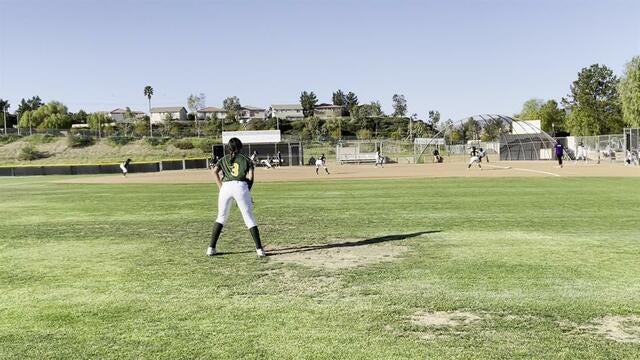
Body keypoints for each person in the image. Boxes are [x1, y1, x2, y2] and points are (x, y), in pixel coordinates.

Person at [207, 137, 266, 257]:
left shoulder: (223, 159)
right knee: (249, 218)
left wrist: (221, 187)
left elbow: (214, 172)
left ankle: (211, 248)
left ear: (228, 148)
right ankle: (259, 250)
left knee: (221, 217)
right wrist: (247, 193)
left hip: (226, 187)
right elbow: (251, 178)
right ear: (240, 147)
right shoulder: (246, 160)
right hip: (241, 186)